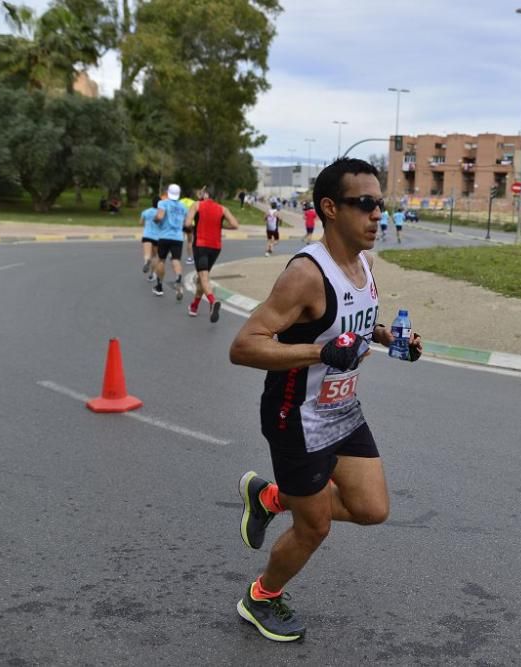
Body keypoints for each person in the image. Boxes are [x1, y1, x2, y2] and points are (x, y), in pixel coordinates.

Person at [228, 158, 423, 642]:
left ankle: (272, 497)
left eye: (381, 204)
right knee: (314, 528)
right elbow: (244, 345)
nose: (377, 214)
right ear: (331, 208)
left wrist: (386, 335)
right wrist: (320, 351)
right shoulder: (305, 274)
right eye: (365, 205)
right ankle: (261, 597)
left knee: (373, 508)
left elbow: (348, 325)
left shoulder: (366, 264)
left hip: (342, 410)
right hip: (296, 417)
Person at [185, 186, 240, 322]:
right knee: (202, 277)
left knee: (203, 277)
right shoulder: (223, 209)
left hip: (201, 245)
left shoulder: (197, 205)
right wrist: (221, 226)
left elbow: (187, 223)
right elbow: (235, 224)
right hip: (215, 247)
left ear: (206, 194)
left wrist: (192, 227)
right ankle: (194, 306)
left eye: (202, 192)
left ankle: (212, 301)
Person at [153, 184, 188, 299]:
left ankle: (159, 286)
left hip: (164, 236)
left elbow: (160, 216)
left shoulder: (163, 203)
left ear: (168, 192)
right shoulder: (183, 206)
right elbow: (185, 223)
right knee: (176, 259)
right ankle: (178, 278)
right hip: (178, 237)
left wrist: (155, 219)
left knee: (161, 260)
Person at [139, 196, 161, 278]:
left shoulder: (146, 211)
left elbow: (141, 222)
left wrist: (147, 225)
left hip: (147, 235)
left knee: (147, 254)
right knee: (155, 256)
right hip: (157, 237)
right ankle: (152, 274)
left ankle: (146, 262)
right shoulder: (161, 213)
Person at [180, 191, 197, 265]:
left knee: (180, 240)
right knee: (190, 241)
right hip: (190, 223)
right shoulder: (194, 202)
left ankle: (174, 255)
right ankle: (189, 258)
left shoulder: (180, 202)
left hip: (181, 223)